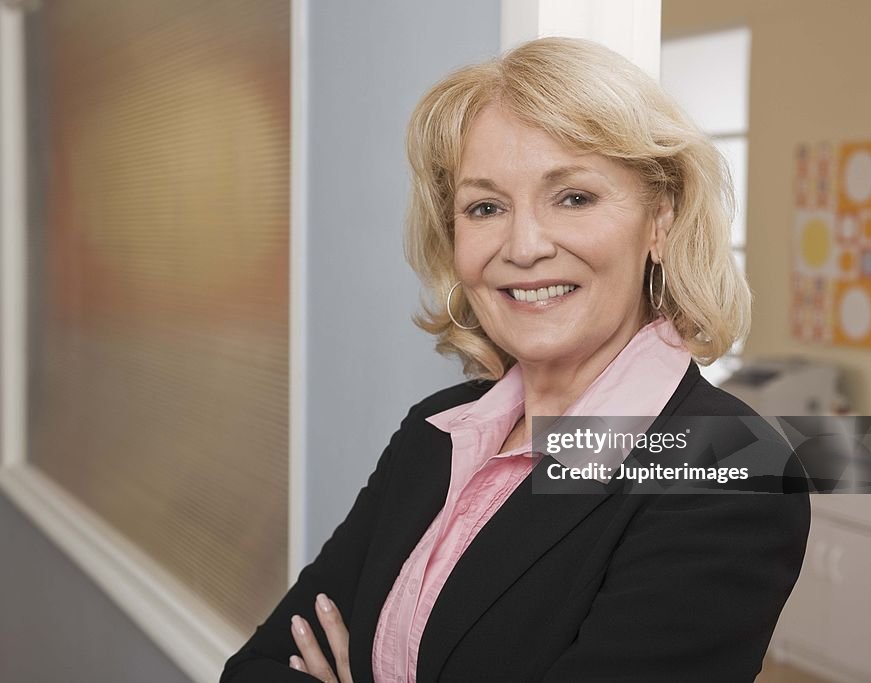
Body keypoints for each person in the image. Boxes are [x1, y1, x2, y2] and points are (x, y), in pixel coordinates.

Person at [220, 36, 810, 683]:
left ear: (660, 219)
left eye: (573, 197)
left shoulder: (736, 467)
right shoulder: (438, 428)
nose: (524, 246)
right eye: (486, 207)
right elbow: (257, 667)